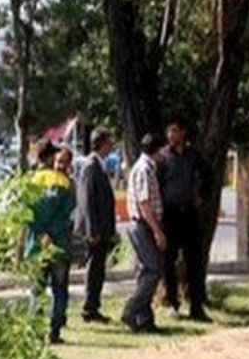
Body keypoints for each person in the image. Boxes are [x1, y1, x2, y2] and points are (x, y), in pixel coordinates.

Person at [21, 140, 76, 344]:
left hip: (36, 245)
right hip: (59, 245)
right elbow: (66, 215)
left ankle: (35, 332)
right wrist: (52, 234)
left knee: (37, 289)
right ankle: (55, 332)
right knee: (59, 289)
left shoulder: (32, 181)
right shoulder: (65, 183)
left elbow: (27, 213)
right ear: (51, 157)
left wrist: (41, 233)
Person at [158, 121, 210, 322]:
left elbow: (206, 177)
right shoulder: (163, 157)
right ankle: (172, 302)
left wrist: (200, 196)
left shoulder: (193, 156)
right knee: (168, 261)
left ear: (183, 133)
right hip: (170, 214)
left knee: (194, 261)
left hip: (189, 213)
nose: (171, 135)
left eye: (175, 131)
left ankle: (196, 306)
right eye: (168, 130)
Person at [122, 132, 169, 333]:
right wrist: (157, 231)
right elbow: (144, 203)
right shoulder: (144, 170)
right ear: (158, 150)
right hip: (143, 225)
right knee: (153, 269)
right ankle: (131, 309)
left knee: (145, 271)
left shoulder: (148, 168)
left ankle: (144, 319)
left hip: (144, 225)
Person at [75, 128, 117, 323]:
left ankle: (94, 305)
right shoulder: (91, 167)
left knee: (99, 269)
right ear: (101, 143)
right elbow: (87, 201)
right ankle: (89, 307)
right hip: (95, 230)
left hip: (102, 228)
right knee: (94, 269)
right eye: (109, 141)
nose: (111, 145)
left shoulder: (99, 166)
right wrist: (93, 230)